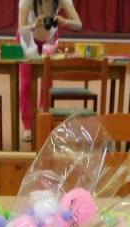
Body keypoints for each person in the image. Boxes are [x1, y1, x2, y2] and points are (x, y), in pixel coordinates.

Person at [17, 0, 82, 143]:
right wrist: (34, 25)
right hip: (28, 38)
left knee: (47, 84)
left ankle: (43, 122)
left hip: (50, 40)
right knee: (27, 84)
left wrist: (66, 21)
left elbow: (78, 24)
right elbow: (22, 28)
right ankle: (28, 126)